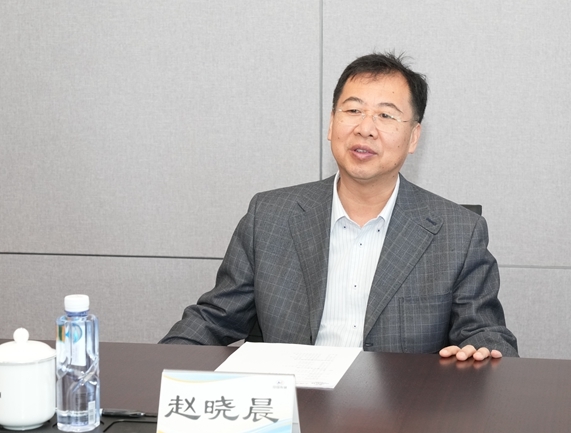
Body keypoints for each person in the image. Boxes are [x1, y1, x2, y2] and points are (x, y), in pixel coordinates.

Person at [160, 52, 518, 361]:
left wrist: (483, 352)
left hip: (402, 408)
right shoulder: (269, 217)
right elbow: (213, 319)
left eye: (386, 116)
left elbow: (485, 332)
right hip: (295, 404)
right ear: (332, 124)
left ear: (413, 137)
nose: (365, 128)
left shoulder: (457, 233)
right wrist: (156, 367)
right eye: (353, 110)